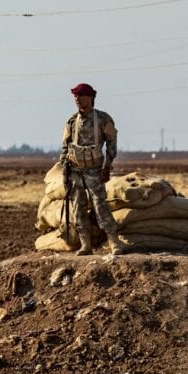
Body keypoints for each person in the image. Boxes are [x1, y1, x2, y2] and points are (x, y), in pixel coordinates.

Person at [59, 83, 124, 255]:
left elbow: (112, 142)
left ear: (91, 98)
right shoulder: (72, 122)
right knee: (78, 209)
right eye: (75, 97)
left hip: (95, 171)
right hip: (75, 172)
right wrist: (64, 168)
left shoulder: (102, 119)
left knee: (100, 206)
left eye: (81, 96)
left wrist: (107, 166)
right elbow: (65, 147)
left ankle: (114, 241)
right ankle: (85, 244)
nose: (77, 100)